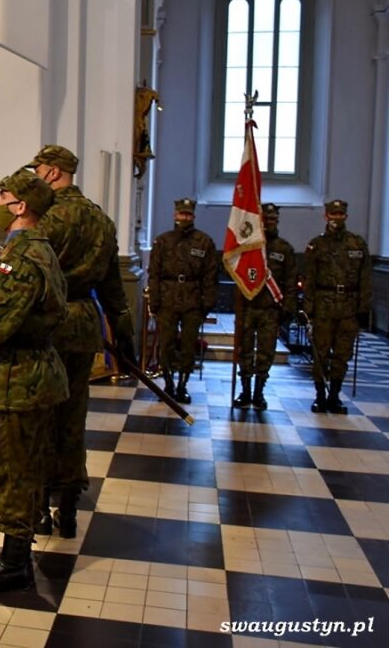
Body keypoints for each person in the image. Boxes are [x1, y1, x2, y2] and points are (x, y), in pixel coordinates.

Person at [0, 169, 69, 593]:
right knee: (26, 468)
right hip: (34, 375)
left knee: (10, 472)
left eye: (3, 197)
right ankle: (13, 553)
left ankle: (16, 564)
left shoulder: (19, 258)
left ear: (21, 206)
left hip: (17, 380)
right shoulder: (40, 249)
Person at [26, 144, 136, 539]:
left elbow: (30, 275)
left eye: (38, 170)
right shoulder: (101, 220)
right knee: (73, 419)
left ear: (53, 172)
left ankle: (40, 507)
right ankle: (69, 509)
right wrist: (123, 329)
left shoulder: (46, 218)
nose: (36, 177)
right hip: (85, 324)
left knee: (41, 417)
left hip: (47, 325)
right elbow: (112, 286)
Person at [302, 199, 373, 413]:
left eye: (341, 214)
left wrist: (364, 309)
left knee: (342, 355)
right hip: (323, 308)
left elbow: (365, 279)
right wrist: (307, 310)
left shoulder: (357, 244)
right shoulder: (316, 245)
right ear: (326, 216)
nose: (337, 218)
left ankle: (334, 396)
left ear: (346, 216)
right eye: (333, 214)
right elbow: (309, 280)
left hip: (349, 309)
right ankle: (320, 396)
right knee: (320, 354)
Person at [147, 198, 218, 404]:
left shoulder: (204, 242)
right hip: (167, 299)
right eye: (181, 214)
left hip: (192, 300)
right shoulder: (163, 241)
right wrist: (154, 300)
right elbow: (154, 273)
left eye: (188, 214)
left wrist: (207, 303)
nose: (184, 218)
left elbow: (211, 276)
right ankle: (168, 384)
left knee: (188, 346)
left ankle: (182, 385)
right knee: (166, 344)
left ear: (193, 216)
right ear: (175, 215)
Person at [234, 203, 297, 410]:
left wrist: (288, 308)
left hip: (270, 309)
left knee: (266, 352)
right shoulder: (249, 246)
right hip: (248, 307)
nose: (270, 222)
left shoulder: (284, 249)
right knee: (244, 350)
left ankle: (259, 392)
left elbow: (290, 281)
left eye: (273, 219)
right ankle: (245, 391)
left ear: (277, 221)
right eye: (266, 219)